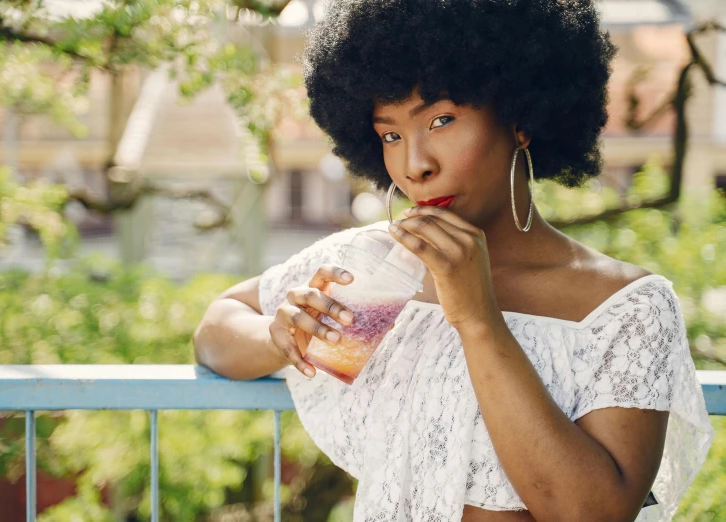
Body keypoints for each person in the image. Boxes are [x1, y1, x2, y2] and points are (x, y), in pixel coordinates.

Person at [193, 1, 714, 520]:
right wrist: (279, 338)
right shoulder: (373, 262)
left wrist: (477, 319)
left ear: (520, 120)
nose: (414, 165)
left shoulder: (625, 309)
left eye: (440, 120)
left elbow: (592, 513)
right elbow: (216, 329)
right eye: (390, 135)